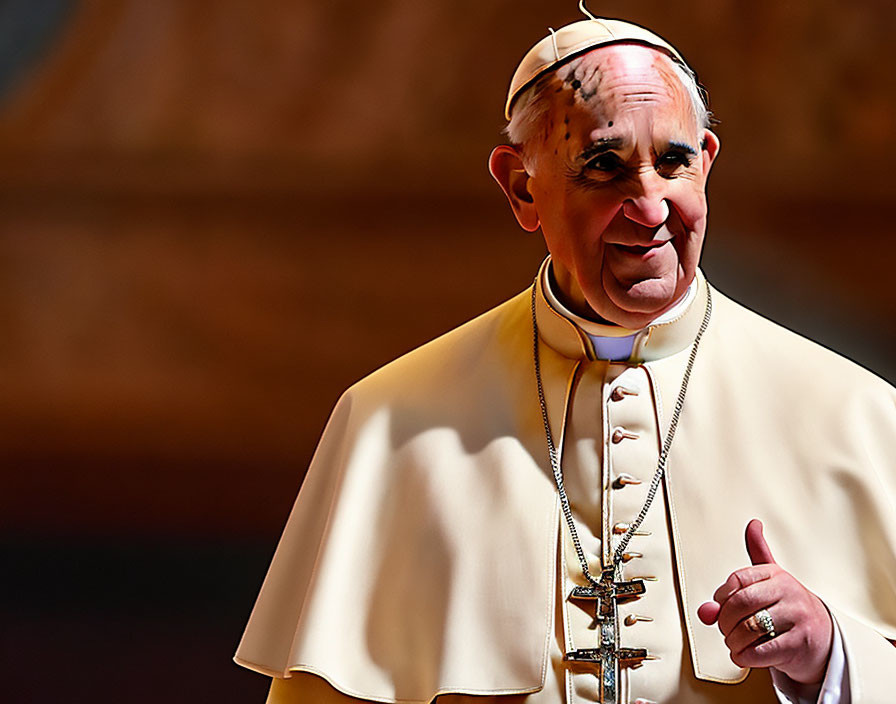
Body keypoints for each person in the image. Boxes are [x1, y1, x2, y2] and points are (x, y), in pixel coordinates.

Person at [234, 9, 896, 704]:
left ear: (706, 161)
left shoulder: (855, 416)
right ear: (521, 187)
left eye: (672, 162)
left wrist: (833, 654)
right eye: (603, 166)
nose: (649, 207)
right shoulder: (392, 424)